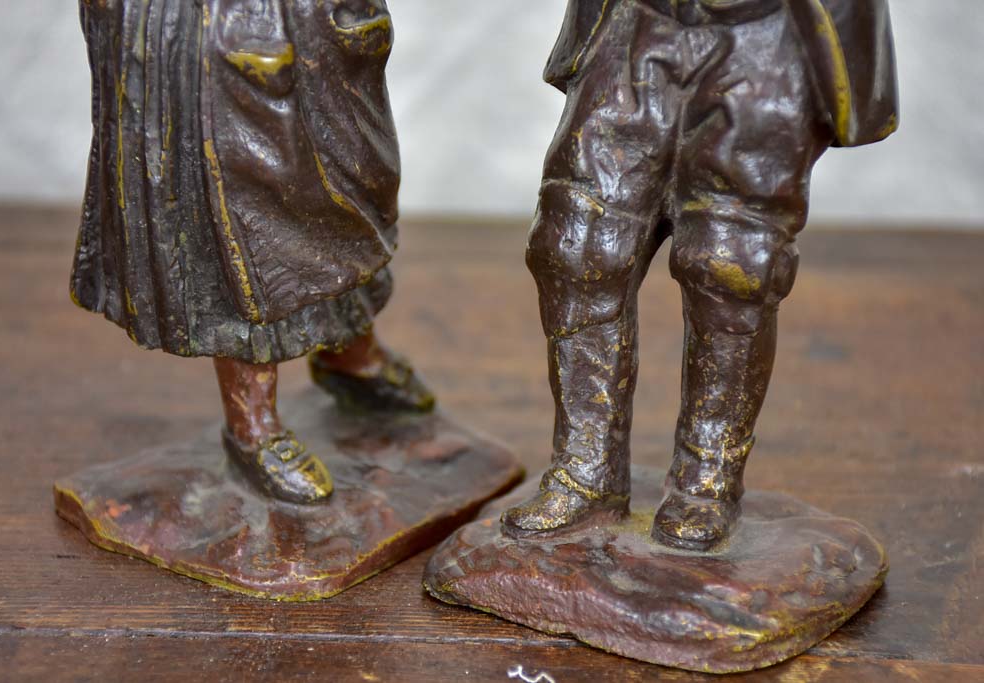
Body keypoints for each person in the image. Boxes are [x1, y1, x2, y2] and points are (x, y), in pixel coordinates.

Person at [501, 0, 898, 550]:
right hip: (636, 25)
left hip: (765, 37)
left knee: (731, 261)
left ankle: (705, 482)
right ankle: (584, 471)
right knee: (577, 243)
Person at [71, 0, 433, 505]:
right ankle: (251, 424)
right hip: (210, 32)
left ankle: (349, 354)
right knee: (242, 215)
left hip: (311, 21)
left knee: (335, 197)